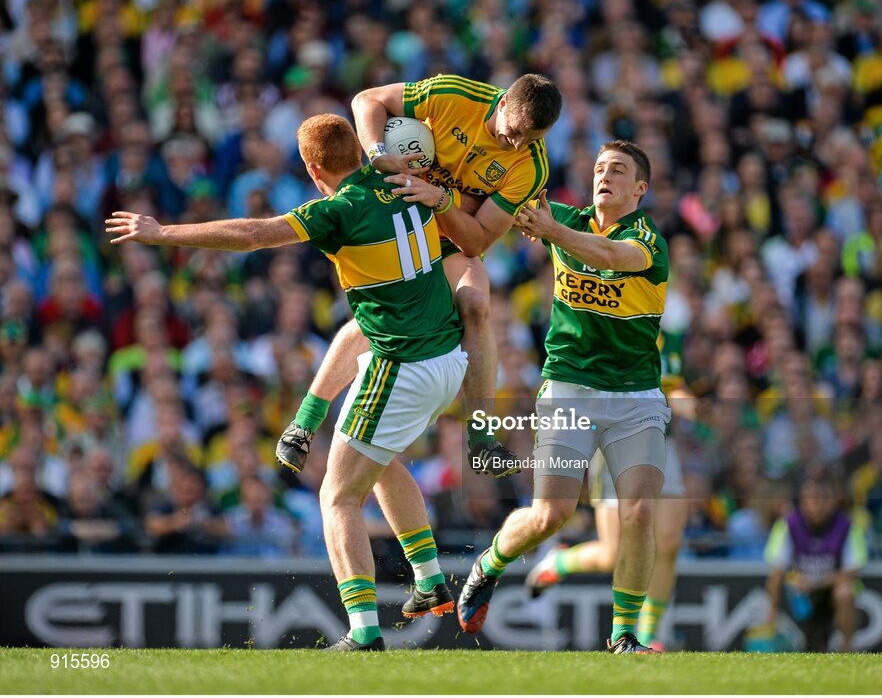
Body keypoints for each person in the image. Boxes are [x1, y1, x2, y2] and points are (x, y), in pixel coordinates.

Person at [107, 113, 468, 651]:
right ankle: (431, 578)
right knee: (380, 457)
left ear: (311, 166)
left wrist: (163, 232)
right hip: (450, 358)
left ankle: (364, 633)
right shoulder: (396, 177)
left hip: (403, 367)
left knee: (337, 495)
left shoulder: (338, 209)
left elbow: (254, 234)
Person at [274, 73, 561, 478]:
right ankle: (304, 423)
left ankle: (481, 438)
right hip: (395, 217)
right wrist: (377, 153)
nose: (518, 144)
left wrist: (441, 200)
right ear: (503, 104)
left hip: (447, 236)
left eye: (531, 139)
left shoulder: (531, 167)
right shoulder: (455, 95)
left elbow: (477, 241)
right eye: (515, 132)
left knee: (477, 304)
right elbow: (366, 98)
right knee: (380, 315)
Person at [456, 141, 672, 654]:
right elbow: (494, 205)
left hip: (635, 396)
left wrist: (551, 230)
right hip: (570, 391)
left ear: (640, 188)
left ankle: (624, 635)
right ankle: (490, 563)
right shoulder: (564, 218)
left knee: (638, 511)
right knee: (550, 515)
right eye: (600, 168)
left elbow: (610, 255)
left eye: (618, 170)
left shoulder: (647, 240)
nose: (606, 175)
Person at [524, 390, 688, 651]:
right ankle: (559, 562)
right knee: (614, 554)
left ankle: (649, 635)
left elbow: (673, 383)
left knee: (669, 541)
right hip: (616, 440)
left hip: (660, 440)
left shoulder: (669, 346)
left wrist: (687, 401)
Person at [763, 477, 867, 652]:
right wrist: (771, 610)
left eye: (823, 499)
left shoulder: (847, 526)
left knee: (845, 592)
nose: (818, 505)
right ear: (803, 501)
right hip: (799, 592)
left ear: (833, 501)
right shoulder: (788, 525)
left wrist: (817, 583)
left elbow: (853, 570)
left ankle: (847, 650)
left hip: (830, 591)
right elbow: (776, 571)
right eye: (813, 499)